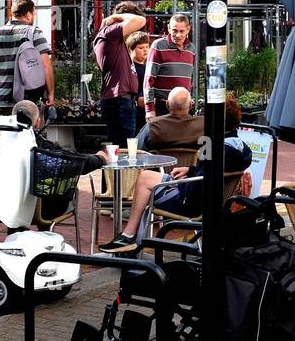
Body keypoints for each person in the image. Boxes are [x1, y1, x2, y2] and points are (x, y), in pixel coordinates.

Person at [100, 96, 254, 253]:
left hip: (192, 205)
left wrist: (182, 182)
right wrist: (191, 170)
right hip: (216, 202)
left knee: (144, 183)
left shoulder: (210, 145)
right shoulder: (242, 148)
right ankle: (129, 236)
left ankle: (129, 235)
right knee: (146, 176)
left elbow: (195, 190)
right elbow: (213, 173)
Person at [0, 100, 109, 220]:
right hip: (46, 210)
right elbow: (76, 163)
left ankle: (15, 232)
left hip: (7, 206)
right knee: (54, 191)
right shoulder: (43, 149)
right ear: (37, 122)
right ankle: (45, 233)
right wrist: (100, 158)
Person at [0, 0, 53, 116]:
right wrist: (50, 94)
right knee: (29, 133)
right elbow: (46, 65)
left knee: (6, 133)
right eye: (33, 13)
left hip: (0, 101)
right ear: (29, 14)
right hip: (27, 99)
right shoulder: (34, 33)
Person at [93, 1, 148, 145]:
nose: (134, 32)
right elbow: (141, 20)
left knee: (123, 147)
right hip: (119, 100)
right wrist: (116, 17)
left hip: (123, 100)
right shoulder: (109, 33)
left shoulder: (115, 40)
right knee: (126, 148)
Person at [144, 13, 195, 121]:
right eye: (174, 30)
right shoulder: (158, 46)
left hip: (185, 108)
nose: (178, 35)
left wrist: (190, 98)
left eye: (182, 31)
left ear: (188, 29)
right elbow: (148, 80)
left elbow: (190, 78)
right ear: (168, 28)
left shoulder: (191, 49)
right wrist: (149, 109)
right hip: (163, 106)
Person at [138, 86, 204, 150]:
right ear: (190, 105)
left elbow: (137, 150)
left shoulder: (153, 127)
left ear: (167, 104)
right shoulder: (203, 125)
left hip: (161, 161)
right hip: (193, 161)